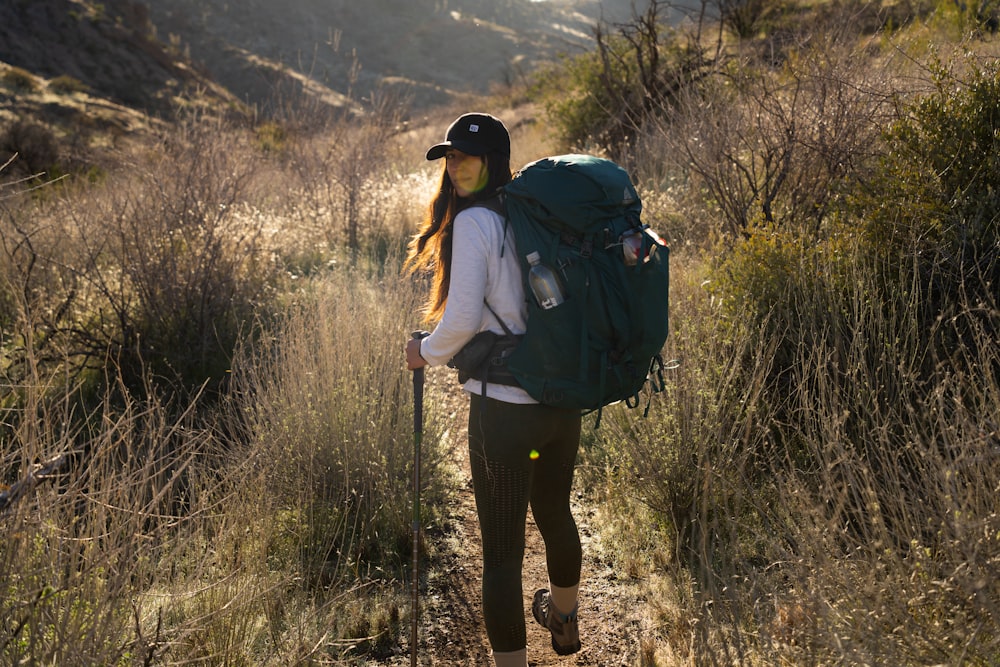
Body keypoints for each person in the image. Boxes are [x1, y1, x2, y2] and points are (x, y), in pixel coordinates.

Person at [404, 113, 584, 667]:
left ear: (493, 163)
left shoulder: (476, 223)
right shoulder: (534, 214)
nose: (455, 166)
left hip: (505, 413)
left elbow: (458, 322)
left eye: (467, 158)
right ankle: (564, 620)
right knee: (555, 513)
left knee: (502, 556)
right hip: (559, 401)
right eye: (450, 158)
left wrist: (424, 352)